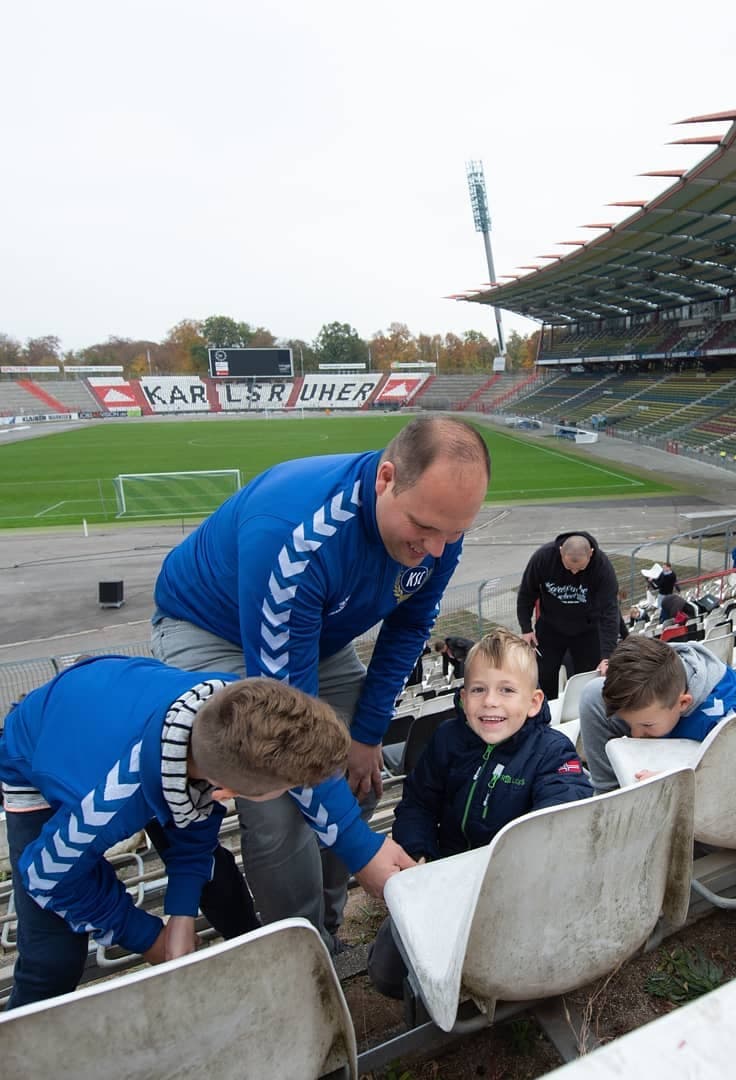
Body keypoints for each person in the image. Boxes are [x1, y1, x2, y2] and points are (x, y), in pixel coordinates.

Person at [151, 416, 490, 949]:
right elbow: (284, 727)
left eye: (454, 533)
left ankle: (327, 925)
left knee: (354, 768)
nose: (438, 549)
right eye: (424, 528)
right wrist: (364, 852)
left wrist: (368, 731)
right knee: (274, 804)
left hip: (312, 631)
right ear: (385, 479)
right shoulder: (295, 536)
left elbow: (409, 626)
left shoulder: (439, 531)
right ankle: (303, 948)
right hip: (214, 631)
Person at [0, 656, 390, 1010]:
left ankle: (253, 960)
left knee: (214, 878)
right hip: (35, 755)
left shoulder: (232, 707)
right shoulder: (109, 803)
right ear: (230, 794)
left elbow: (194, 822)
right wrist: (148, 936)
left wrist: (181, 913)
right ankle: (18, 1042)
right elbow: (47, 875)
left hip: (122, 711)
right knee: (54, 954)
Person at [365, 629, 592, 997]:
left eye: (506, 690)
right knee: (387, 973)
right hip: (444, 877)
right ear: (462, 695)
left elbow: (561, 814)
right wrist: (419, 853)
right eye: (478, 689)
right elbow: (417, 803)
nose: (490, 702)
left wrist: (504, 875)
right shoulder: (446, 739)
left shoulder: (552, 751)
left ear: (534, 702)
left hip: (514, 888)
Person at [578, 637, 736, 794]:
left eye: (646, 725)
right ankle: (610, 793)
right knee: (594, 693)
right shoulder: (664, 676)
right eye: (632, 725)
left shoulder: (732, 719)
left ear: (683, 703)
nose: (635, 734)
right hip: (673, 729)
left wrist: (681, 779)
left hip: (725, 786)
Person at [517, 531, 620, 701]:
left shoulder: (602, 567)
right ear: (560, 552)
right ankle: (544, 713)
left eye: (580, 568)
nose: (573, 572)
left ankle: (581, 714)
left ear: (591, 554)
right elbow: (527, 593)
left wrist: (607, 656)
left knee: (586, 678)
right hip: (551, 627)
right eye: (568, 567)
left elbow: (609, 612)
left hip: (587, 629)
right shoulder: (543, 558)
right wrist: (526, 628)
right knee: (544, 674)